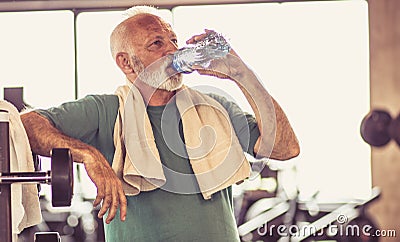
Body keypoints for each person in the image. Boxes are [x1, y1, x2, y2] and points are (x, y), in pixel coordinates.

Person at [21, 5, 300, 241]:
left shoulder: (214, 105)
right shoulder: (105, 110)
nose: (172, 51)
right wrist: (88, 156)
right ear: (127, 64)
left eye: (174, 41)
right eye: (157, 43)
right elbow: (27, 126)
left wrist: (242, 75)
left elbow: (286, 149)